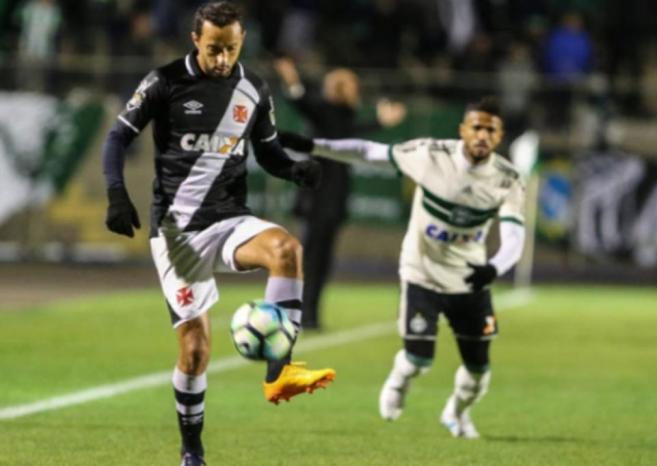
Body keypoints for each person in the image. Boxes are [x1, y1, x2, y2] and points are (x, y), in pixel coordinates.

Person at [101, 3, 335, 465]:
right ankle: (192, 453)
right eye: (213, 49)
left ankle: (280, 372)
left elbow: (267, 153)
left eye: (230, 48)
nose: (223, 59)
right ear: (195, 40)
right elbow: (116, 138)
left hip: (229, 219)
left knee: (287, 249)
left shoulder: (254, 89)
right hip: (177, 234)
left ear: (242, 41)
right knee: (194, 352)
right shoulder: (164, 82)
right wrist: (116, 194)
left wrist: (294, 171)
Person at [279, 97, 526, 439]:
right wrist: (313, 145)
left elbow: (515, 236)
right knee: (419, 359)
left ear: (500, 136)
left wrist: (493, 269)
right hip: (421, 271)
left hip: (470, 278)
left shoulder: (507, 179)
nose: (482, 135)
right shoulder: (431, 154)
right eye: (477, 127)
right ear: (463, 130)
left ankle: (456, 412)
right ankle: (398, 382)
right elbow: (369, 152)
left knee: (479, 368)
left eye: (491, 129)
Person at [273, 57, 405, 330]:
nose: (356, 91)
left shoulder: (343, 116)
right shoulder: (325, 110)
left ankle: (310, 315)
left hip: (333, 201)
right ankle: (296, 313)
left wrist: (381, 122)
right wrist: (293, 82)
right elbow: (303, 104)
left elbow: (353, 135)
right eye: (351, 86)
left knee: (321, 262)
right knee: (309, 260)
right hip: (316, 198)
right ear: (341, 88)